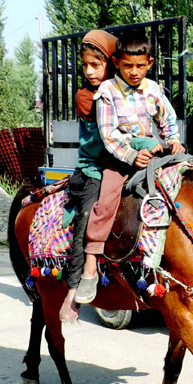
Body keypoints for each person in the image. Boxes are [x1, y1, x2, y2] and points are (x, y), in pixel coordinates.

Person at [73, 31, 185, 305]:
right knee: (106, 202)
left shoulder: (154, 90)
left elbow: (167, 117)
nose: (134, 72)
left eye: (139, 66)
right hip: (120, 160)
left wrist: (173, 139)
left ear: (150, 62)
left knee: (186, 183)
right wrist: (133, 155)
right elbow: (109, 134)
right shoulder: (107, 92)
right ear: (117, 63)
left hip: (155, 154)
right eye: (127, 66)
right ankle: (90, 265)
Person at [59, 29, 119, 322]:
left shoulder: (124, 93)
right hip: (96, 166)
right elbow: (106, 143)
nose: (89, 71)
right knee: (88, 217)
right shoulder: (87, 97)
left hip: (125, 163)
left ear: (111, 63)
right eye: (85, 65)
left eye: (96, 64)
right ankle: (75, 288)